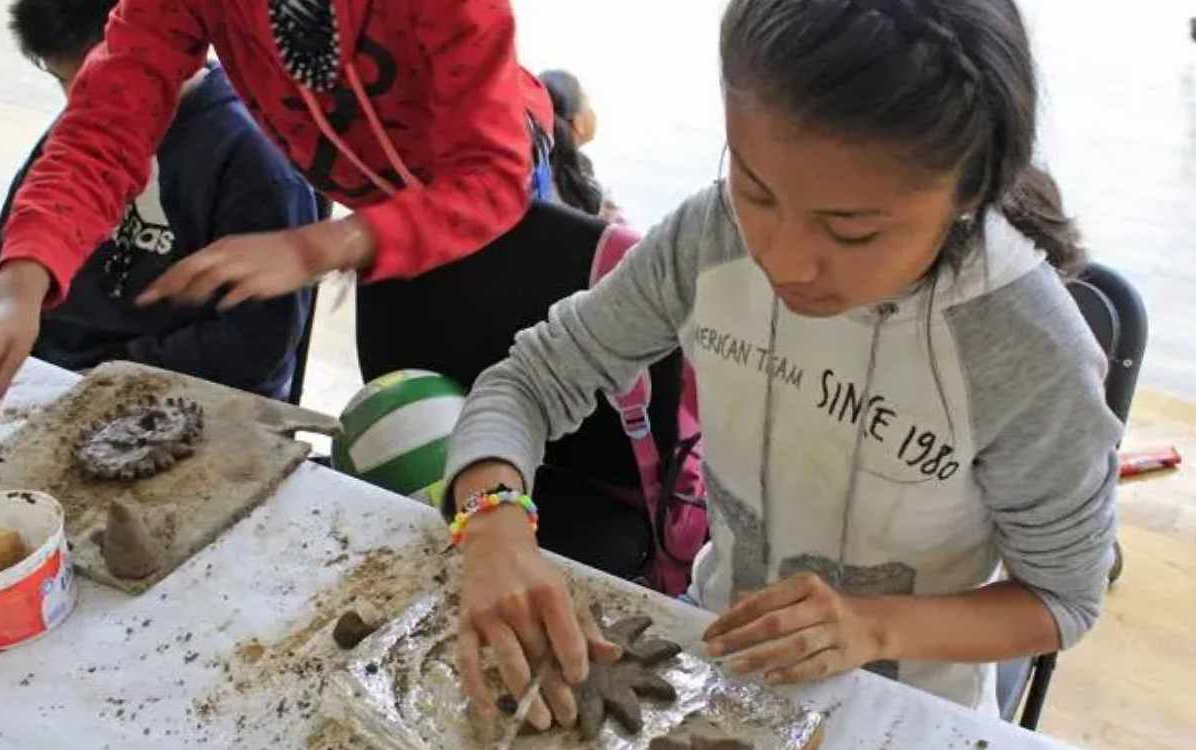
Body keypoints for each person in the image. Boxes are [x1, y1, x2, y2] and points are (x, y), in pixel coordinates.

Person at [443, 0, 1122, 732]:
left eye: (852, 230)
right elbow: (531, 381)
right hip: (710, 659)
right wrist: (493, 527)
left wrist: (873, 627)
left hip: (905, 711)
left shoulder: (1023, 349)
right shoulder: (710, 236)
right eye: (756, 188)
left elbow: (1062, 599)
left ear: (968, 195)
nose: (781, 260)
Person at [0, 0, 559, 403]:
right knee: (412, 416)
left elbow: (491, 176)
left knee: (522, 407)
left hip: (496, 217)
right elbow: (103, 126)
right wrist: (22, 280)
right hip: (374, 231)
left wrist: (323, 246)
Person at [0, 0, 316, 400]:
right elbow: (15, 246)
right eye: (63, 80)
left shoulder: (252, 156)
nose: (78, 99)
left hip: (178, 395)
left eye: (88, 79)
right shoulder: (86, 123)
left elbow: (256, 344)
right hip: (54, 373)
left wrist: (106, 372)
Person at [539, 69, 621, 222]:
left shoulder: (529, 175)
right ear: (578, 123)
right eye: (588, 105)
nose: (593, 113)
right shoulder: (589, 194)